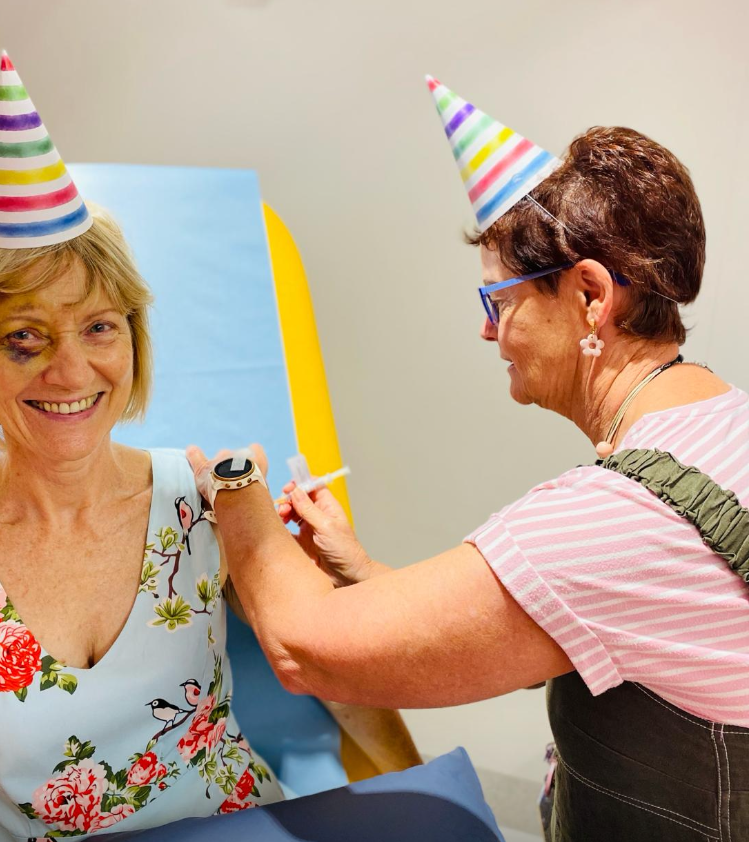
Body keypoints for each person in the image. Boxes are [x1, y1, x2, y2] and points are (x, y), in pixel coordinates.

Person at [186, 77, 749, 841]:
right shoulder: (725, 424)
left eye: (499, 301)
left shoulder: (610, 521)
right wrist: (361, 573)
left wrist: (235, 491)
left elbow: (302, 649)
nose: (488, 333)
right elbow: (545, 625)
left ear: (589, 296)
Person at [0, 53, 419, 841]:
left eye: (99, 328)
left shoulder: (207, 497)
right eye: (25, 339)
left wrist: (421, 800)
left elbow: (325, 662)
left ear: (133, 342)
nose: (72, 371)